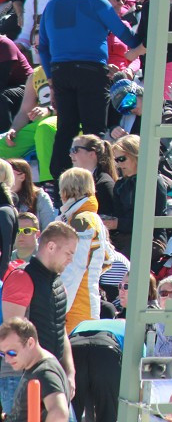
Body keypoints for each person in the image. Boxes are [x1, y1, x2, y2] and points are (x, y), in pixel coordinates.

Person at [38, 0, 138, 181]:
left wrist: (50, 78)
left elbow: (43, 47)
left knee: (66, 129)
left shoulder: (52, 4)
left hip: (61, 73)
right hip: (91, 72)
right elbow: (125, 35)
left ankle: (60, 182)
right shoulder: (97, 1)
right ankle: (102, 180)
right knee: (95, 130)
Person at [0, 221, 78, 412]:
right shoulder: (21, 278)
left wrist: (70, 373)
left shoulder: (58, 285)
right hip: (19, 377)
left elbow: (61, 331)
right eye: (68, 253)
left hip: (52, 374)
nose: (70, 260)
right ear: (51, 246)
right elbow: (12, 336)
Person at [54, 168, 110, 332]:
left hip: (77, 304)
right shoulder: (89, 217)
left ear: (65, 191)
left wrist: (58, 308)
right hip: (85, 299)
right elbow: (108, 258)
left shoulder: (81, 219)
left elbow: (74, 267)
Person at [0, 317, 71, 422]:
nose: (7, 359)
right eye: (2, 353)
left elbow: (60, 413)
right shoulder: (35, 367)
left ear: (30, 343)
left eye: (11, 353)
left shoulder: (45, 372)